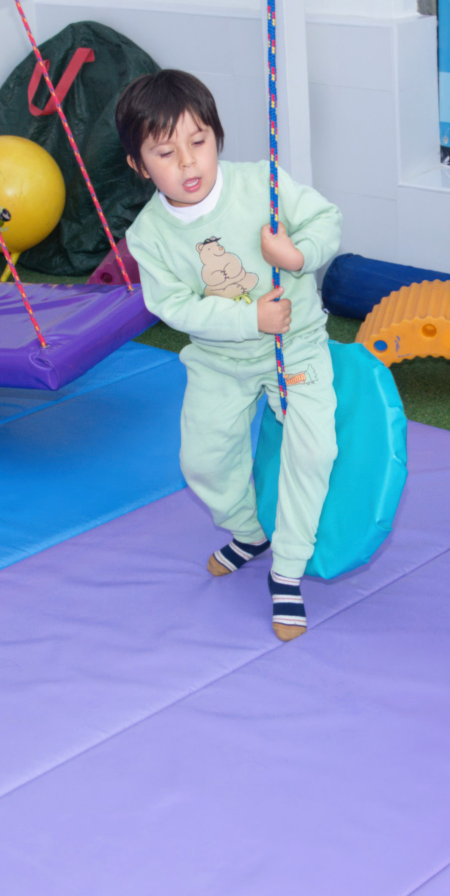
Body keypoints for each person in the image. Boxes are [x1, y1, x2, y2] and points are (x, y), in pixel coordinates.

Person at [117, 70, 342, 641]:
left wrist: (296, 256)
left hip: (297, 347)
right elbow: (175, 307)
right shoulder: (149, 235)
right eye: (166, 153)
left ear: (218, 137)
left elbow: (325, 220)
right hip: (220, 358)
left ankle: (287, 571)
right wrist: (249, 318)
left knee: (313, 452)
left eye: (199, 142)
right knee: (203, 460)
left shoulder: (260, 184)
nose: (188, 164)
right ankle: (250, 531)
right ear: (140, 167)